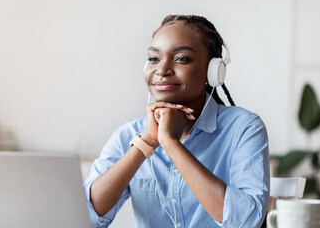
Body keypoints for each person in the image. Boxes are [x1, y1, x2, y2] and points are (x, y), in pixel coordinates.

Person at [83, 15, 269, 228]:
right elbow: (87, 218)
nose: (162, 70)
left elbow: (247, 222)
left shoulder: (244, 128)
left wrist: (170, 143)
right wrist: (148, 141)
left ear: (213, 71)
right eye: (154, 59)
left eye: (181, 58)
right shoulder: (126, 135)